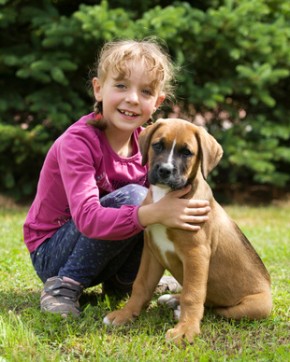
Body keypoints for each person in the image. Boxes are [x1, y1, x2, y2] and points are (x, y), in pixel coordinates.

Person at [23, 39, 211, 317]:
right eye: (121, 86)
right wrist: (153, 212)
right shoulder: (78, 143)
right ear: (98, 89)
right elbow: (88, 218)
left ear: (157, 102)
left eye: (145, 91)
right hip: (53, 252)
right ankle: (64, 286)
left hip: (105, 253)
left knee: (151, 200)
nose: (133, 98)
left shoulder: (149, 142)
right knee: (138, 199)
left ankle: (124, 283)